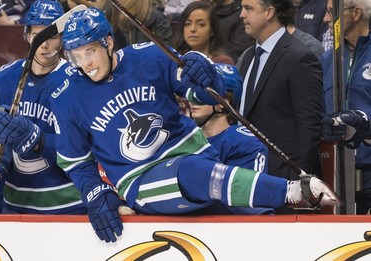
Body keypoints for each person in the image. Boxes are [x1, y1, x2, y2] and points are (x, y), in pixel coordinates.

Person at [50, 7, 339, 243]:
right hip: (141, 179)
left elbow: (200, 94)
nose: (83, 64)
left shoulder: (149, 56)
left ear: (108, 43)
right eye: (74, 56)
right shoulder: (67, 98)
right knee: (192, 173)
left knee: (255, 219)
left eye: (89, 52)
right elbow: (75, 162)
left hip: (197, 154)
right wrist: (95, 193)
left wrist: (206, 75)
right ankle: (292, 192)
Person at [0, 0, 86, 214]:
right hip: (14, 206)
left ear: (62, 39)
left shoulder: (79, 82)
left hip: (68, 206)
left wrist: (39, 141)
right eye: (38, 35)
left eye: (51, 36)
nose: (44, 44)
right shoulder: (4, 78)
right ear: (26, 35)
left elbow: (87, 146)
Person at [236, 0, 323, 181]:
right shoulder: (247, 57)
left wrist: (296, 178)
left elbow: (309, 125)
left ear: (269, 13)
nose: (242, 15)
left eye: (248, 9)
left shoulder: (300, 57)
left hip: (283, 178)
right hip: (248, 173)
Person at [190, 63, 274, 214]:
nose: (194, 98)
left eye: (203, 92)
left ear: (224, 103)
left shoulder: (246, 143)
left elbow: (248, 204)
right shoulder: (183, 139)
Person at [321, 0, 371, 215]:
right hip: (336, 175)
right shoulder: (326, 60)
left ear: (357, 13)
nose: (326, 19)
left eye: (333, 12)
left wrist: (364, 121)